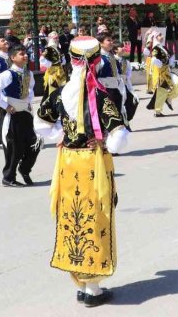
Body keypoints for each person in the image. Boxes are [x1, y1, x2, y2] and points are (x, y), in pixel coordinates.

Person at [34, 36, 129, 307]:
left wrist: (61, 134)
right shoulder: (100, 94)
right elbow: (120, 137)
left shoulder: (59, 92)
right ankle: (93, 288)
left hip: (67, 163)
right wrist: (105, 143)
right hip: (93, 165)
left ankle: (84, 281)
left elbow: (41, 124)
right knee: (96, 218)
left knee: (73, 219)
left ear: (72, 59)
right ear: (97, 60)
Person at [0, 44, 40, 188]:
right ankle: (8, 177)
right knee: (14, 147)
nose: (25, 56)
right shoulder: (8, 74)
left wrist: (28, 102)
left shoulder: (29, 73)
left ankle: (25, 168)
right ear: (13, 57)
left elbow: (30, 89)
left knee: (36, 143)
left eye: (25, 53)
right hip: (14, 114)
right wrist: (5, 105)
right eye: (21, 54)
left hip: (26, 113)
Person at [145, 29, 178, 117]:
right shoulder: (156, 48)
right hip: (161, 73)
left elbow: (170, 55)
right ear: (155, 37)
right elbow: (153, 59)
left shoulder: (162, 47)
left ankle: (168, 97)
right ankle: (157, 111)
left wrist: (171, 61)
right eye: (160, 35)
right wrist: (160, 64)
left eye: (161, 35)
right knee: (161, 91)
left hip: (167, 72)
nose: (162, 37)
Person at [96, 33, 127, 120]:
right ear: (100, 43)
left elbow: (117, 73)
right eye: (108, 40)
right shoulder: (98, 58)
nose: (111, 42)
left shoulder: (111, 56)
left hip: (115, 89)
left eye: (111, 40)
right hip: (105, 91)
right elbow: (95, 76)